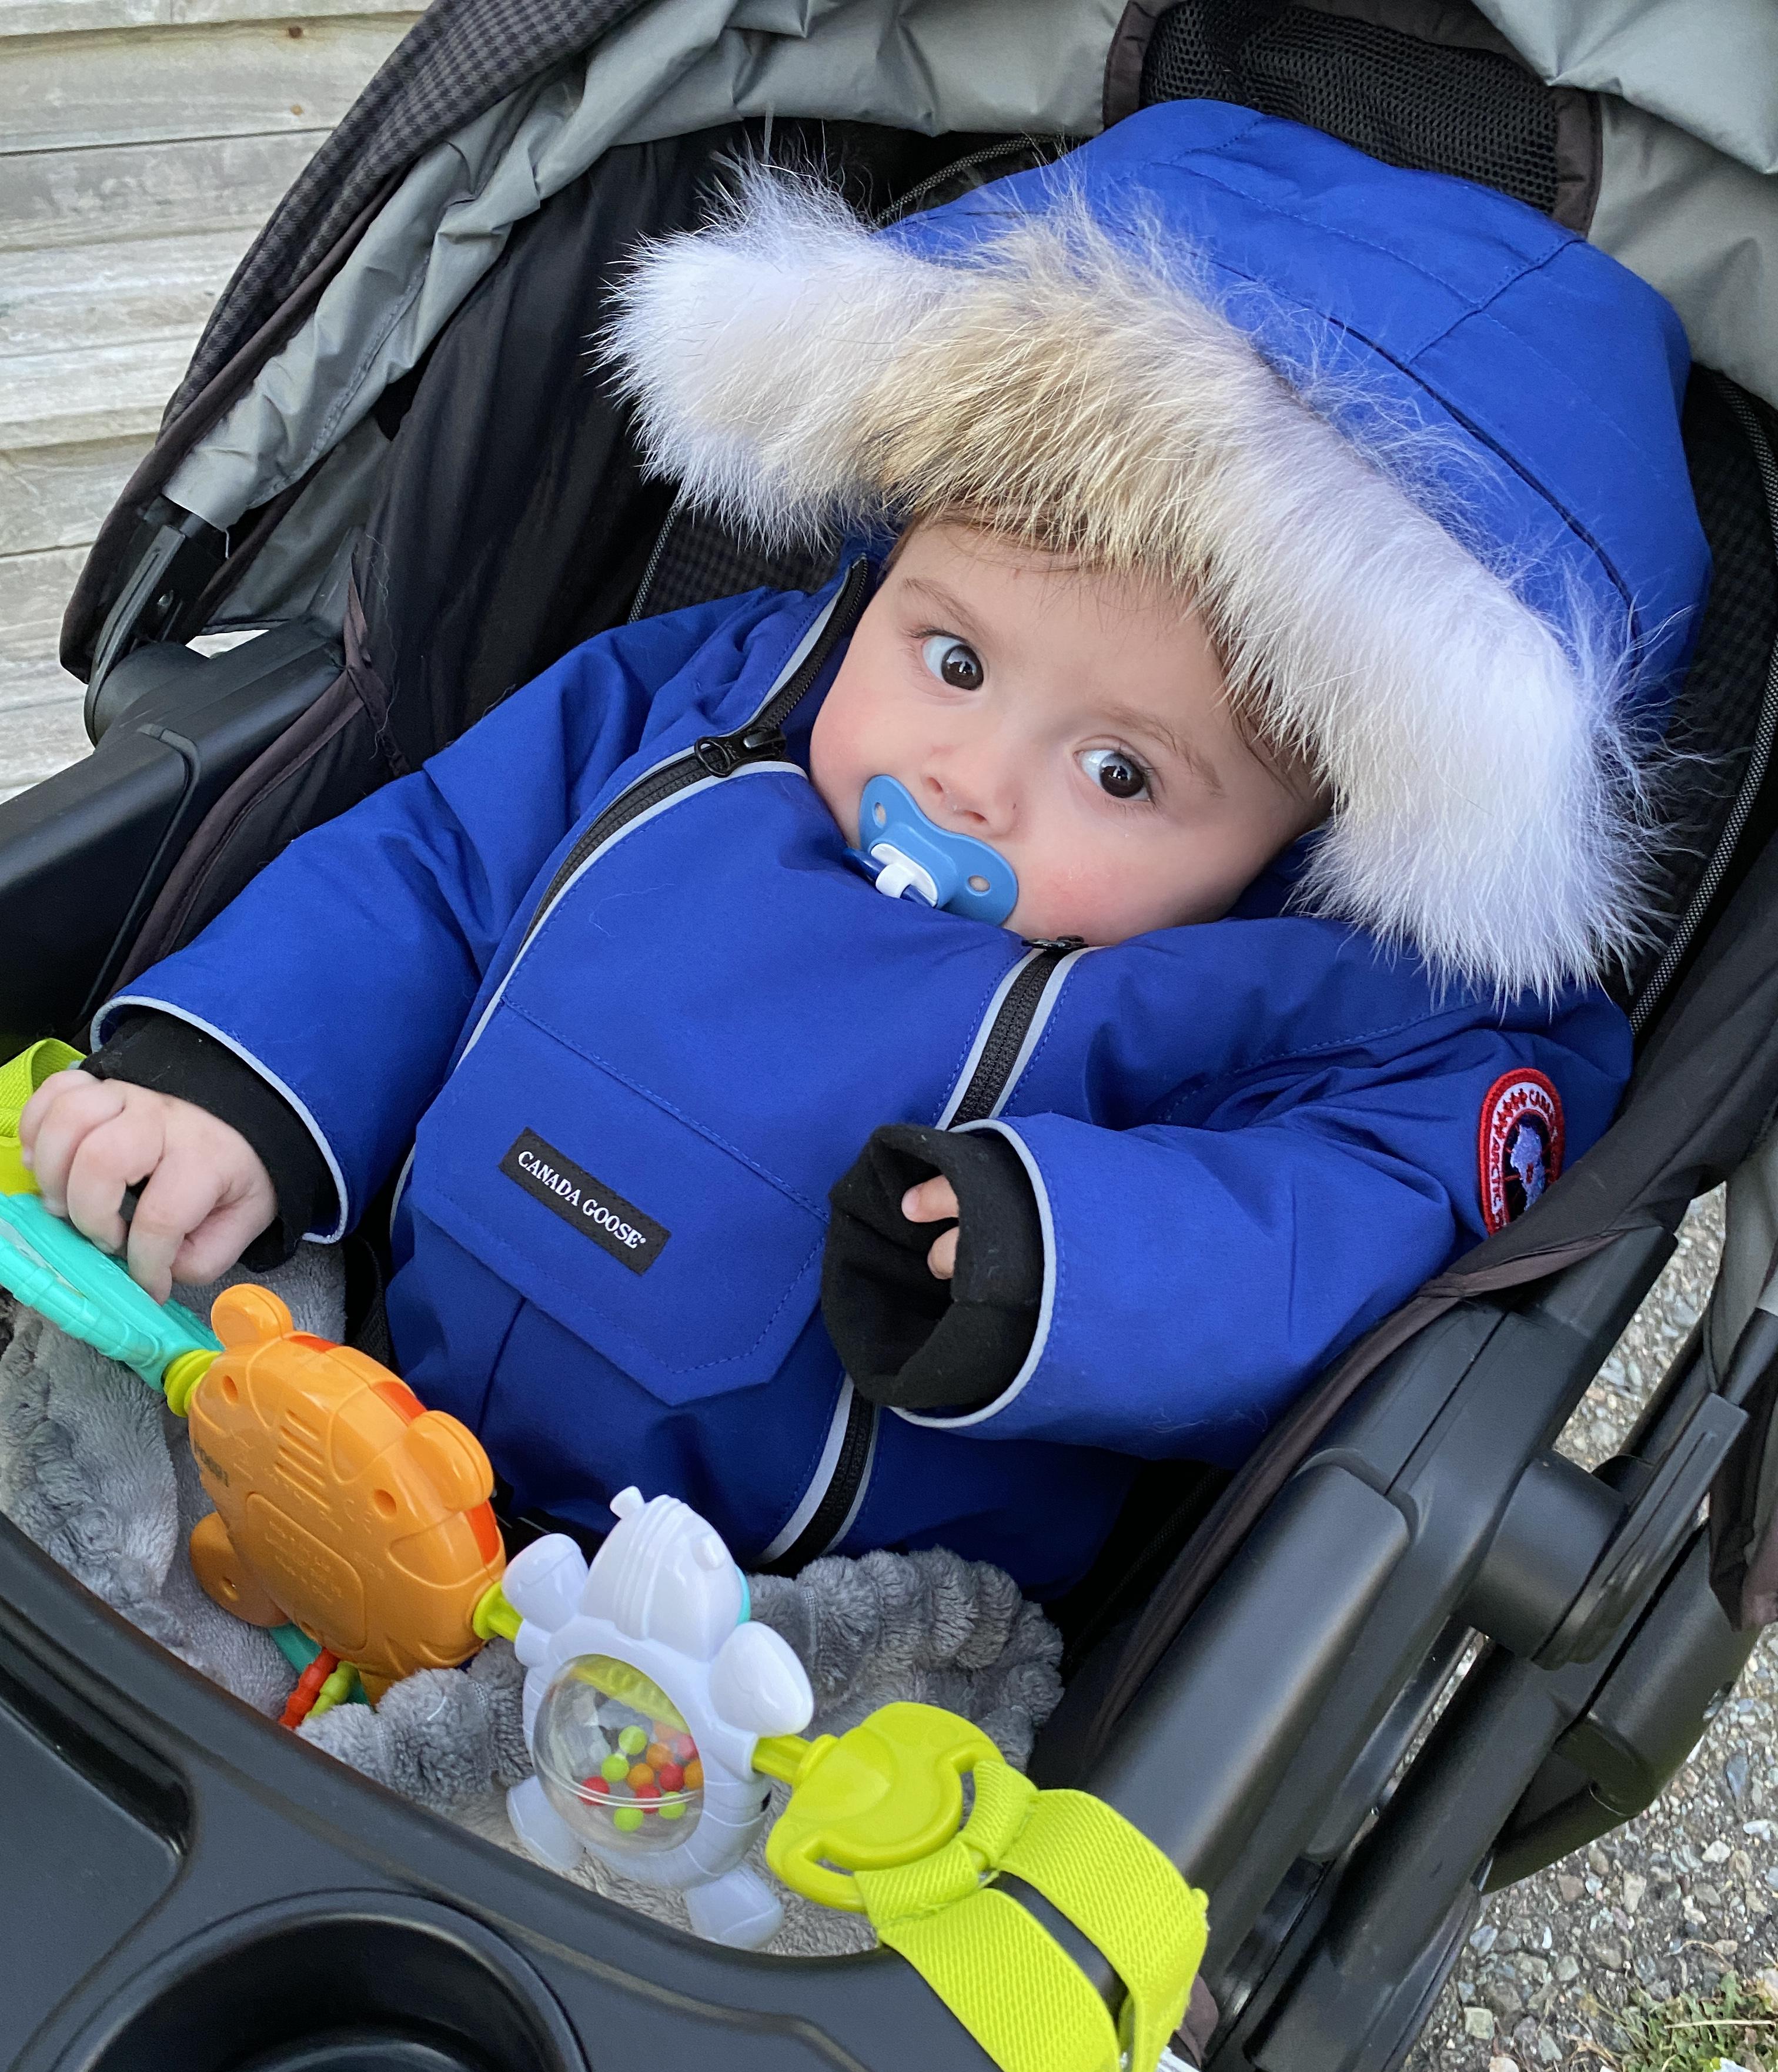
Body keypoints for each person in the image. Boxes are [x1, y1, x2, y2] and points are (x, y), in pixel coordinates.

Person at [16, 103, 1709, 1598]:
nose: (970, 777)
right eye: (953, 661)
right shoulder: (715, 693)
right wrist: (243, 1083)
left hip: (790, 1637)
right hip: (356, 1371)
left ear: (1321, 826)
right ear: (889, 554)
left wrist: (1071, 1260)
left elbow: (1349, 1214)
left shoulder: (1313, 988)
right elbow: (441, 870)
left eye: (1121, 771)